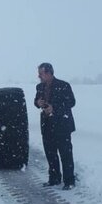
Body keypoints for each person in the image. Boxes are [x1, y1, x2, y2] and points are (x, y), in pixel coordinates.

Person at [34, 62, 76, 190]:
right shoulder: (39, 87)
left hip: (62, 125)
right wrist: (38, 102)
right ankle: (54, 178)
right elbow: (35, 101)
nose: (39, 76)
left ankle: (69, 181)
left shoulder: (63, 85)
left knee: (65, 154)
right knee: (50, 154)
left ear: (48, 73)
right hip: (47, 125)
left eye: (41, 73)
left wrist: (54, 108)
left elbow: (71, 102)